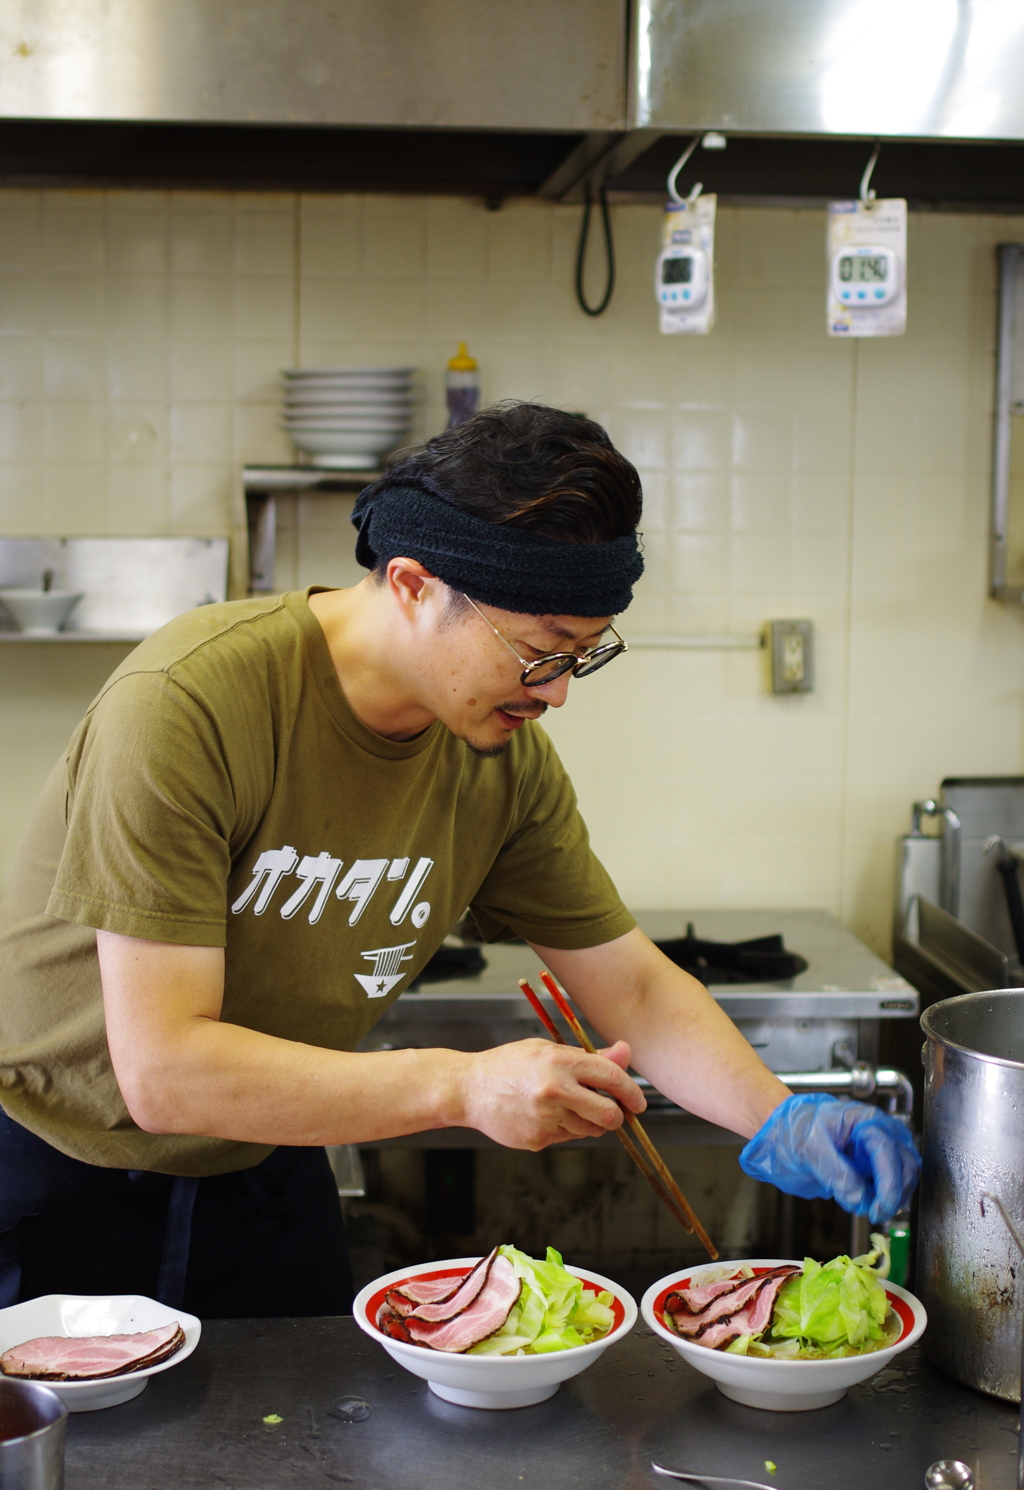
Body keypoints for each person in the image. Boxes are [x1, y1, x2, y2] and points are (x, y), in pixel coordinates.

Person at [0, 402, 918, 1318]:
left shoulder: (500, 762)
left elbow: (630, 987)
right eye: (539, 653)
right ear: (411, 584)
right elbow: (164, 1071)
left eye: (583, 656)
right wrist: (462, 1084)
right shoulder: (191, 704)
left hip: (266, 1164)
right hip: (58, 1171)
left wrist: (780, 1116)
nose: (557, 693)